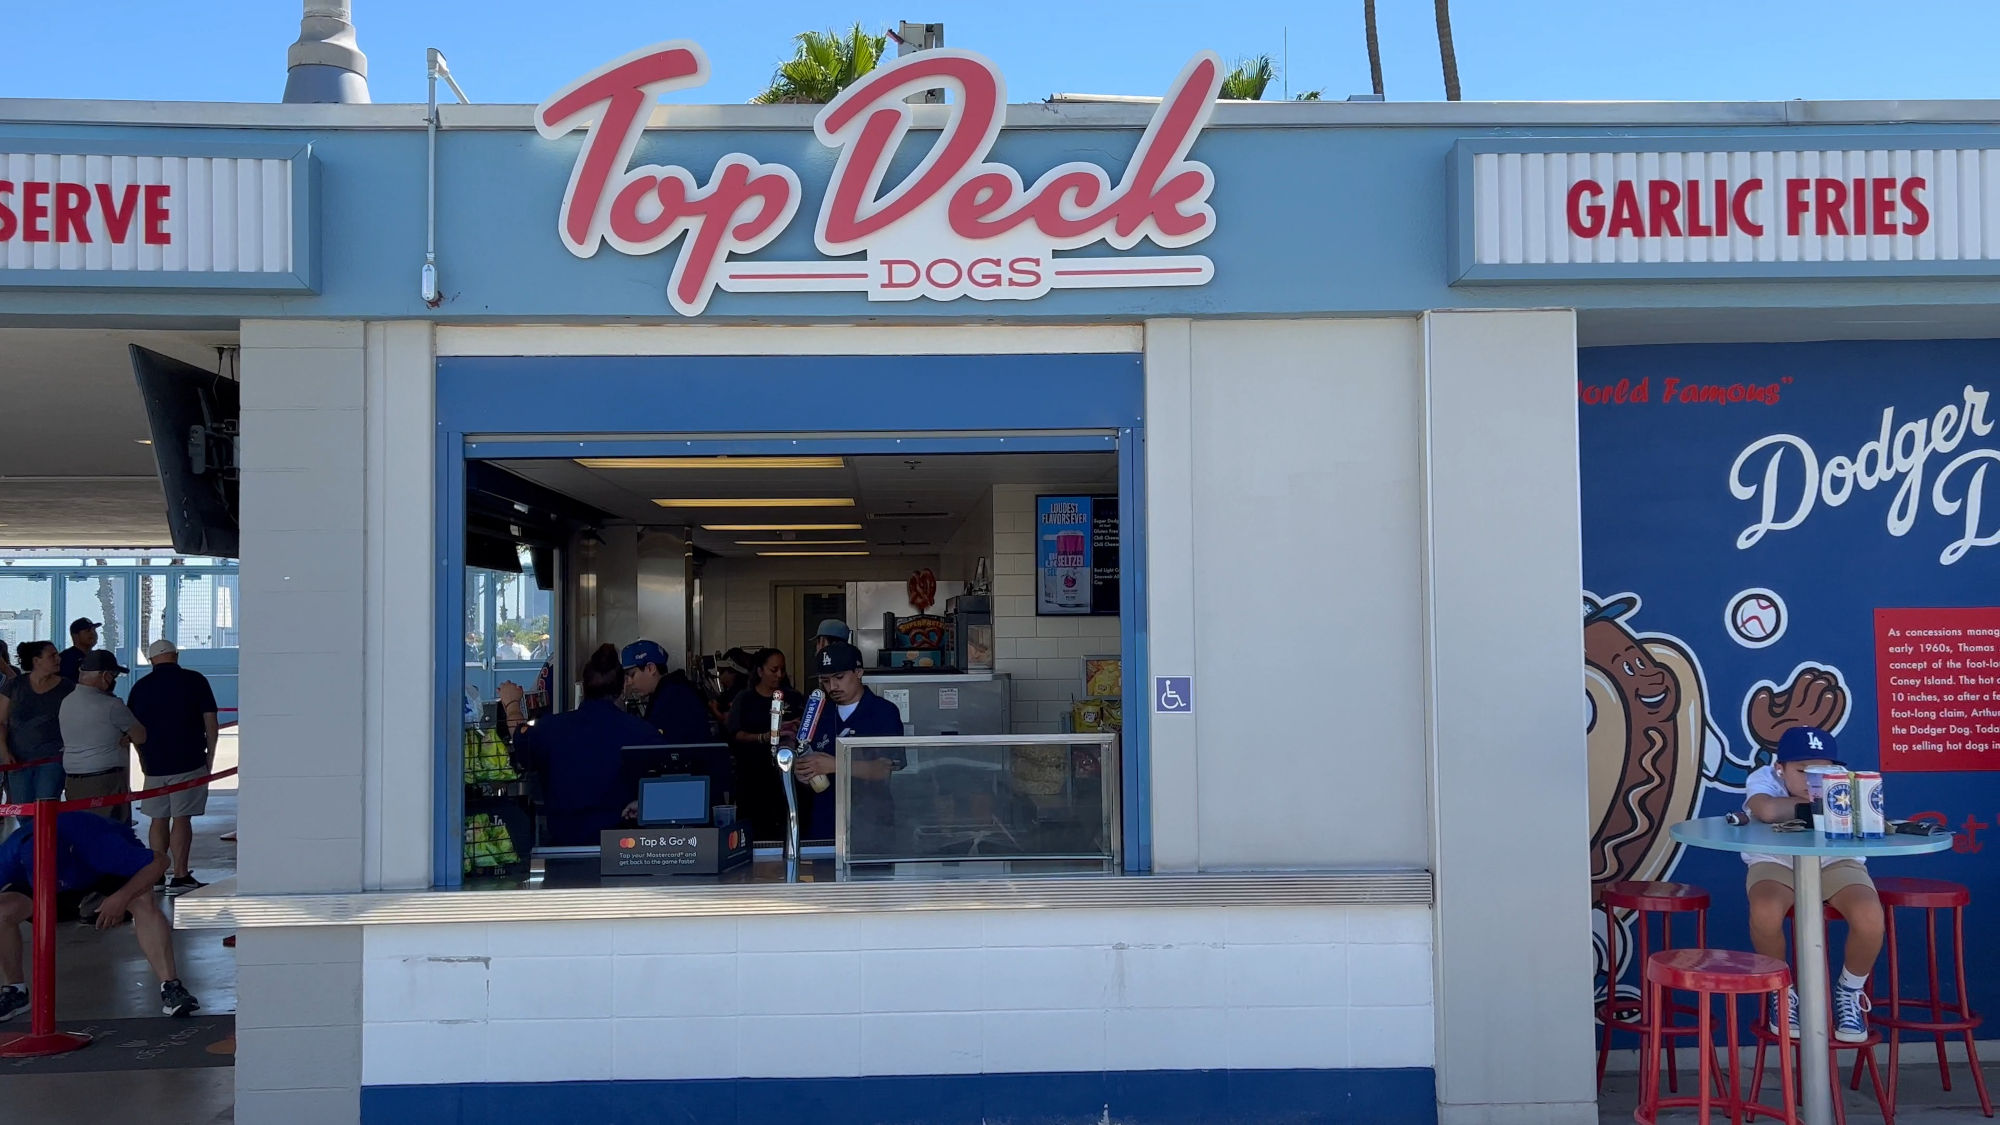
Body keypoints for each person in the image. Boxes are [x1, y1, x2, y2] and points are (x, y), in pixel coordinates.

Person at [1742, 725, 1886, 1044]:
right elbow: (1766, 810)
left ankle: (1850, 991)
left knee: (1869, 916)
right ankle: (1782, 991)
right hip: (1775, 860)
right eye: (1802, 770)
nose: (1812, 779)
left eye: (1822, 770)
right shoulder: (1764, 777)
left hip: (1834, 861)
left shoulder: (1846, 779)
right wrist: (1822, 807)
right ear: (1780, 769)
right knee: (1765, 911)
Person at [0, 811, 199, 1020]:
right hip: (52, 879)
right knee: (3, 910)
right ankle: (15, 990)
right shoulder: (11, 852)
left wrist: (121, 898)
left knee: (143, 902)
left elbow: (159, 862)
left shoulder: (100, 844)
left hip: (101, 870)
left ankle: (171, 987)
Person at [517, 644, 660, 846]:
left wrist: (511, 705)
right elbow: (664, 787)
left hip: (562, 852)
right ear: (622, 689)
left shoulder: (550, 729)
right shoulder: (644, 733)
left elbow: (521, 749)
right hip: (625, 851)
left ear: (584, 688)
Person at [125, 640, 219, 894]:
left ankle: (156, 875)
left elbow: (132, 729)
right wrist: (210, 756)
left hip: (154, 765)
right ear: (175, 656)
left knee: (158, 819)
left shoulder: (140, 687)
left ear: (152, 660)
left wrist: (144, 759)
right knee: (181, 818)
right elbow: (210, 722)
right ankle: (180, 874)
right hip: (189, 761)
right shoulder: (195, 680)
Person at [792, 642, 906, 842]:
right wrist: (804, 774)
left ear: (859, 672)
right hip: (825, 822)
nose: (833, 687)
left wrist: (833, 765)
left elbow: (883, 770)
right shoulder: (818, 714)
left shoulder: (883, 711)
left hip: (873, 824)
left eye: (839, 677)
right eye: (825, 681)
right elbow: (808, 759)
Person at [59, 651, 146, 824]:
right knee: (112, 835)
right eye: (114, 675)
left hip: (73, 781)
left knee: (82, 833)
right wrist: (127, 737)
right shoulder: (112, 705)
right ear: (105, 676)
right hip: (106, 781)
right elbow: (141, 736)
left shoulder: (66, 702)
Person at [724, 648, 800, 842]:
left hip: (785, 777)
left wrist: (795, 729)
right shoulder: (745, 699)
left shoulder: (793, 698)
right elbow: (735, 733)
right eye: (774, 670)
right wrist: (764, 737)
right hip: (752, 776)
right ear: (760, 671)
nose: (779, 675)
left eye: (782, 670)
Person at [0, 642, 74, 806]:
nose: (58, 659)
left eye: (57, 654)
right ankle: (29, 833)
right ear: (36, 661)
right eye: (52, 656)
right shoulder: (14, 686)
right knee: (23, 808)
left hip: (52, 758)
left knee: (45, 806)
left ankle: (44, 833)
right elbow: (1, 721)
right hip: (17, 759)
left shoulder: (67, 687)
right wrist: (5, 752)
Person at [621, 640, 712, 744]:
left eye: (632, 675)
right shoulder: (667, 691)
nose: (629, 683)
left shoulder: (674, 697)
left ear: (651, 668)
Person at [57, 618, 100, 682]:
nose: (93, 633)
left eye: (94, 630)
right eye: (88, 630)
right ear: (75, 636)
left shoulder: (97, 657)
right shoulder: (65, 659)